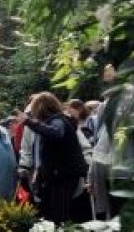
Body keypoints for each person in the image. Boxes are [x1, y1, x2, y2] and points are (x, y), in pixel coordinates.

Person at [16, 92, 89, 224]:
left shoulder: (58, 121)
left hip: (62, 177)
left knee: (59, 216)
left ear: (40, 108)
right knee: (52, 213)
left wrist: (28, 122)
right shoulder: (57, 121)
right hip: (55, 177)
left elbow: (55, 134)